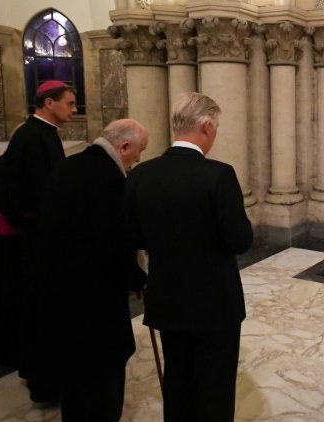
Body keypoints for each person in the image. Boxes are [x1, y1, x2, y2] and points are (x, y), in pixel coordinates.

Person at [125, 92, 253, 421]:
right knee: (214, 386)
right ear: (207, 126)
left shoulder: (142, 174)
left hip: (167, 296)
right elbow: (240, 240)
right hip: (214, 301)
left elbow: (133, 235)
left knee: (178, 381)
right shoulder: (218, 174)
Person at [35, 119, 149, 421]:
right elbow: (114, 242)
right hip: (95, 300)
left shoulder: (67, 166)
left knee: (74, 374)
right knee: (104, 377)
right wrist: (137, 279)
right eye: (138, 152)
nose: (137, 159)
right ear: (123, 146)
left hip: (59, 293)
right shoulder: (109, 179)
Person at [0, 80, 77, 402]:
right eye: (68, 103)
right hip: (34, 237)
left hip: (38, 232)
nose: (74, 109)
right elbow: (31, 190)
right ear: (48, 103)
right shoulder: (32, 136)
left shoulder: (42, 135)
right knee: (35, 303)